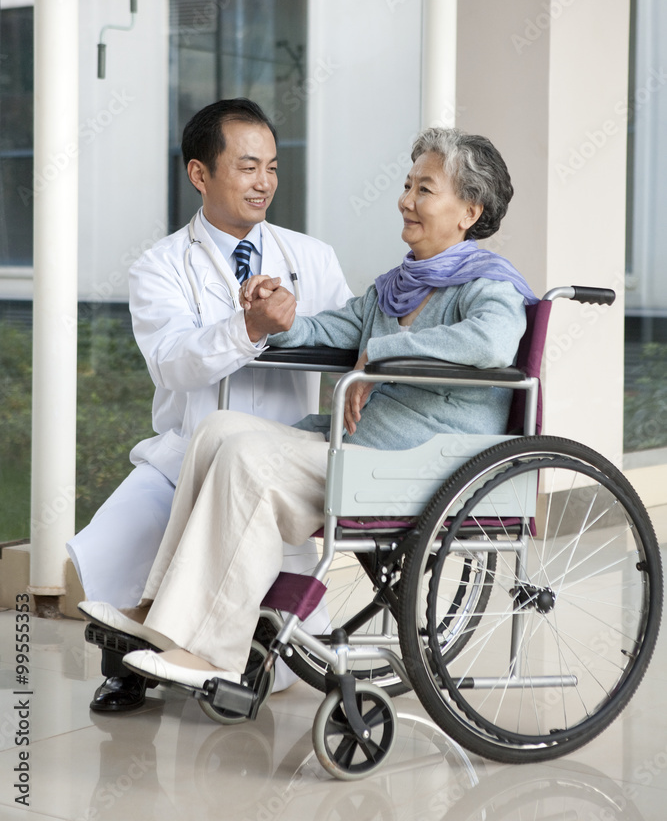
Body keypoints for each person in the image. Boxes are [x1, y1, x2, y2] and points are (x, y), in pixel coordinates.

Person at [79, 126, 536, 691]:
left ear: (469, 210)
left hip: (422, 462)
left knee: (249, 459)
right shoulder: (396, 288)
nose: (405, 200)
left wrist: (383, 353)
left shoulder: (489, 285)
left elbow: (490, 346)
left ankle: (213, 649)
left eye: (424, 189)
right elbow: (331, 328)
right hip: (366, 450)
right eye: (407, 185)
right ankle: (159, 611)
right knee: (218, 430)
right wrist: (275, 315)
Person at [69, 97, 352, 710]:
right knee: (122, 549)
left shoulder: (312, 259)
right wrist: (248, 327)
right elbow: (174, 360)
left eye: (273, 168)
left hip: (277, 463)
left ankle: (217, 654)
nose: (265, 184)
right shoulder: (159, 267)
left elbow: (354, 342)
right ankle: (129, 667)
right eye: (248, 168)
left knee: (269, 625)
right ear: (200, 175)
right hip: (185, 459)